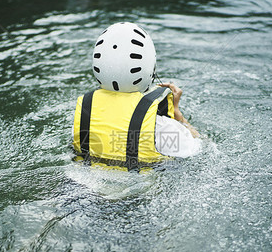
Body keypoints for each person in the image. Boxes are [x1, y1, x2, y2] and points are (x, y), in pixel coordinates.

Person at [72, 22, 201, 172]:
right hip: (135, 194)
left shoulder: (84, 112)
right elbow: (199, 148)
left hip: (80, 187)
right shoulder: (162, 127)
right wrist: (178, 114)